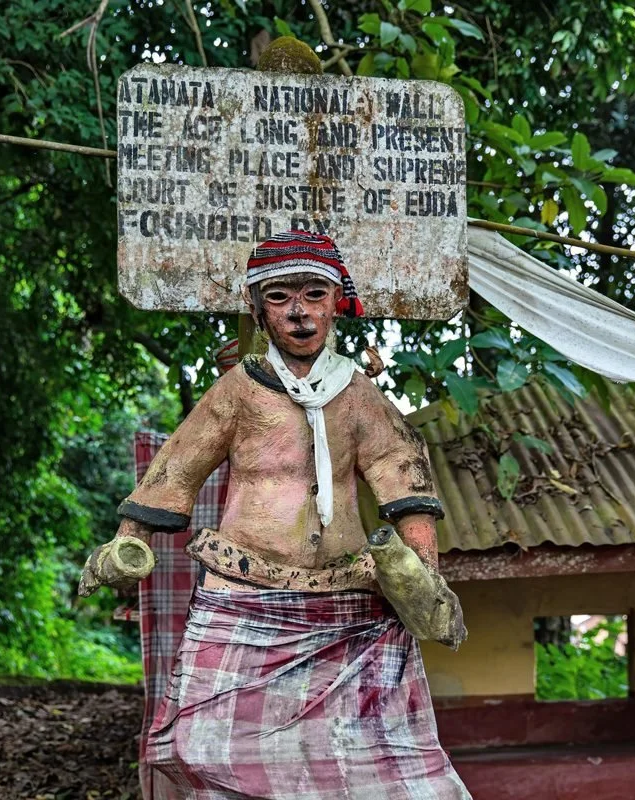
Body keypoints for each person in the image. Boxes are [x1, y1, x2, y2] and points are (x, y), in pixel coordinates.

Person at [81, 230, 471, 799]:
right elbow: (176, 468)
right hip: (242, 593)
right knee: (208, 746)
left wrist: (424, 575)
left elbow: (405, 481)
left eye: (314, 295)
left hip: (350, 604)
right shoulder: (237, 392)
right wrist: (127, 540)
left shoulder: (358, 395)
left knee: (375, 756)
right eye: (280, 297)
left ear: (338, 303)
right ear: (258, 309)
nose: (300, 313)